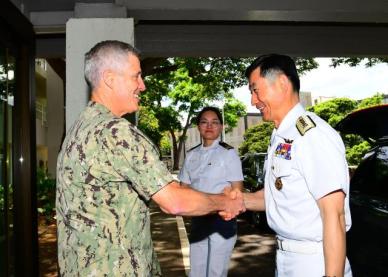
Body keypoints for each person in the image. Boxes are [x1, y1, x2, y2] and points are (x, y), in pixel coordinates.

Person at [55, 40, 245, 276]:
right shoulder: (116, 132)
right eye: (136, 76)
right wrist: (225, 202)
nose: (142, 86)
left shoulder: (79, 127)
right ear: (110, 79)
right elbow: (174, 201)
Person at [240, 54, 352, 276]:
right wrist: (235, 200)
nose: (253, 101)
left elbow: (334, 215)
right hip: (286, 258)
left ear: (282, 83)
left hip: (315, 262)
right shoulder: (281, 135)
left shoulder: (312, 135)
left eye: (255, 90)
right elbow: (279, 195)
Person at [179, 107, 244, 277]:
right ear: (198, 127)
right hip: (198, 220)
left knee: (216, 272)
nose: (209, 126)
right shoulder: (191, 155)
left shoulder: (228, 154)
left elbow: (237, 189)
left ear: (221, 127)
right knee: (197, 272)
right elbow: (183, 187)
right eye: (204, 122)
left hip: (221, 221)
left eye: (214, 122)